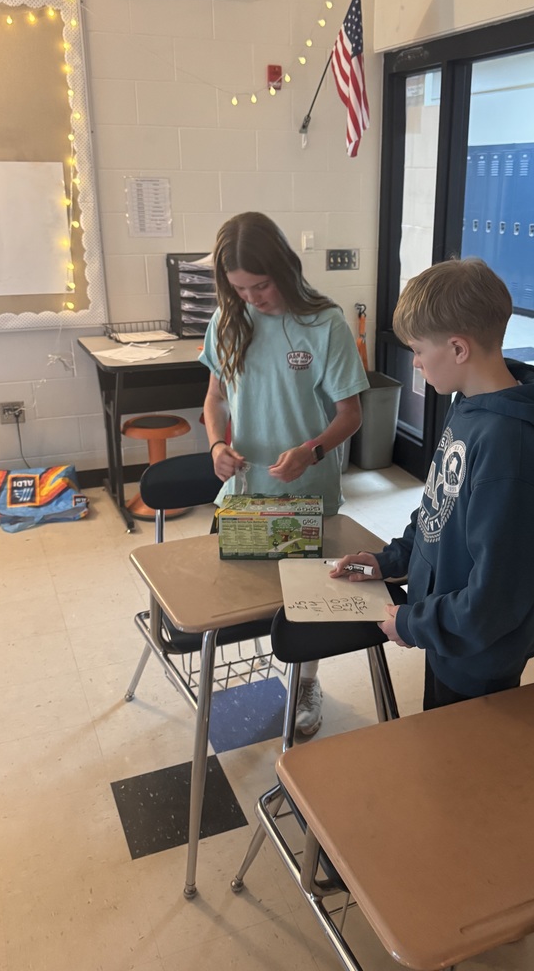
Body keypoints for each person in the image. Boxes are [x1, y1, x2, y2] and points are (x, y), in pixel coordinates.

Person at [331, 257, 534, 709]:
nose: (418, 364)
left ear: (459, 348)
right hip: (451, 632)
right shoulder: (469, 405)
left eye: (420, 352)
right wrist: (387, 562)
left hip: (479, 652)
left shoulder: (513, 448)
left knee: (467, 770)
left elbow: (497, 597)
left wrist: (413, 624)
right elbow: (437, 512)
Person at [199, 212, 369, 735]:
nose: (253, 297)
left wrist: (311, 452)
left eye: (261, 285)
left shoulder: (325, 323)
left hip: (306, 495)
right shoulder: (228, 323)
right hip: (245, 491)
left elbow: (351, 414)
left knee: (307, 604)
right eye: (240, 288)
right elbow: (213, 400)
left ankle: (306, 680)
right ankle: (258, 672)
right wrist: (216, 444)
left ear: (285, 269)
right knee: (241, 600)